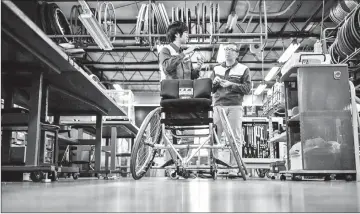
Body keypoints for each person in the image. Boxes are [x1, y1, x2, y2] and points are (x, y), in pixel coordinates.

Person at [158, 21, 204, 175]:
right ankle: (172, 168)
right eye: (185, 33)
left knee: (188, 134)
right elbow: (166, 67)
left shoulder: (184, 54)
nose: (188, 35)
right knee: (172, 134)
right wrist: (184, 54)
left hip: (187, 97)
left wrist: (197, 68)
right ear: (177, 34)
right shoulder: (166, 50)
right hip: (172, 98)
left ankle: (184, 167)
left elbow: (190, 76)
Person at [211, 43, 251, 177]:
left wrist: (231, 85)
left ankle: (234, 168)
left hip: (235, 106)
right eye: (226, 49)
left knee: (235, 137)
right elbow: (209, 89)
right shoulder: (216, 69)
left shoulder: (243, 69)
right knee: (215, 137)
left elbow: (247, 89)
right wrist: (214, 83)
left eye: (231, 50)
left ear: (237, 54)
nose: (228, 51)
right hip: (218, 105)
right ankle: (213, 166)